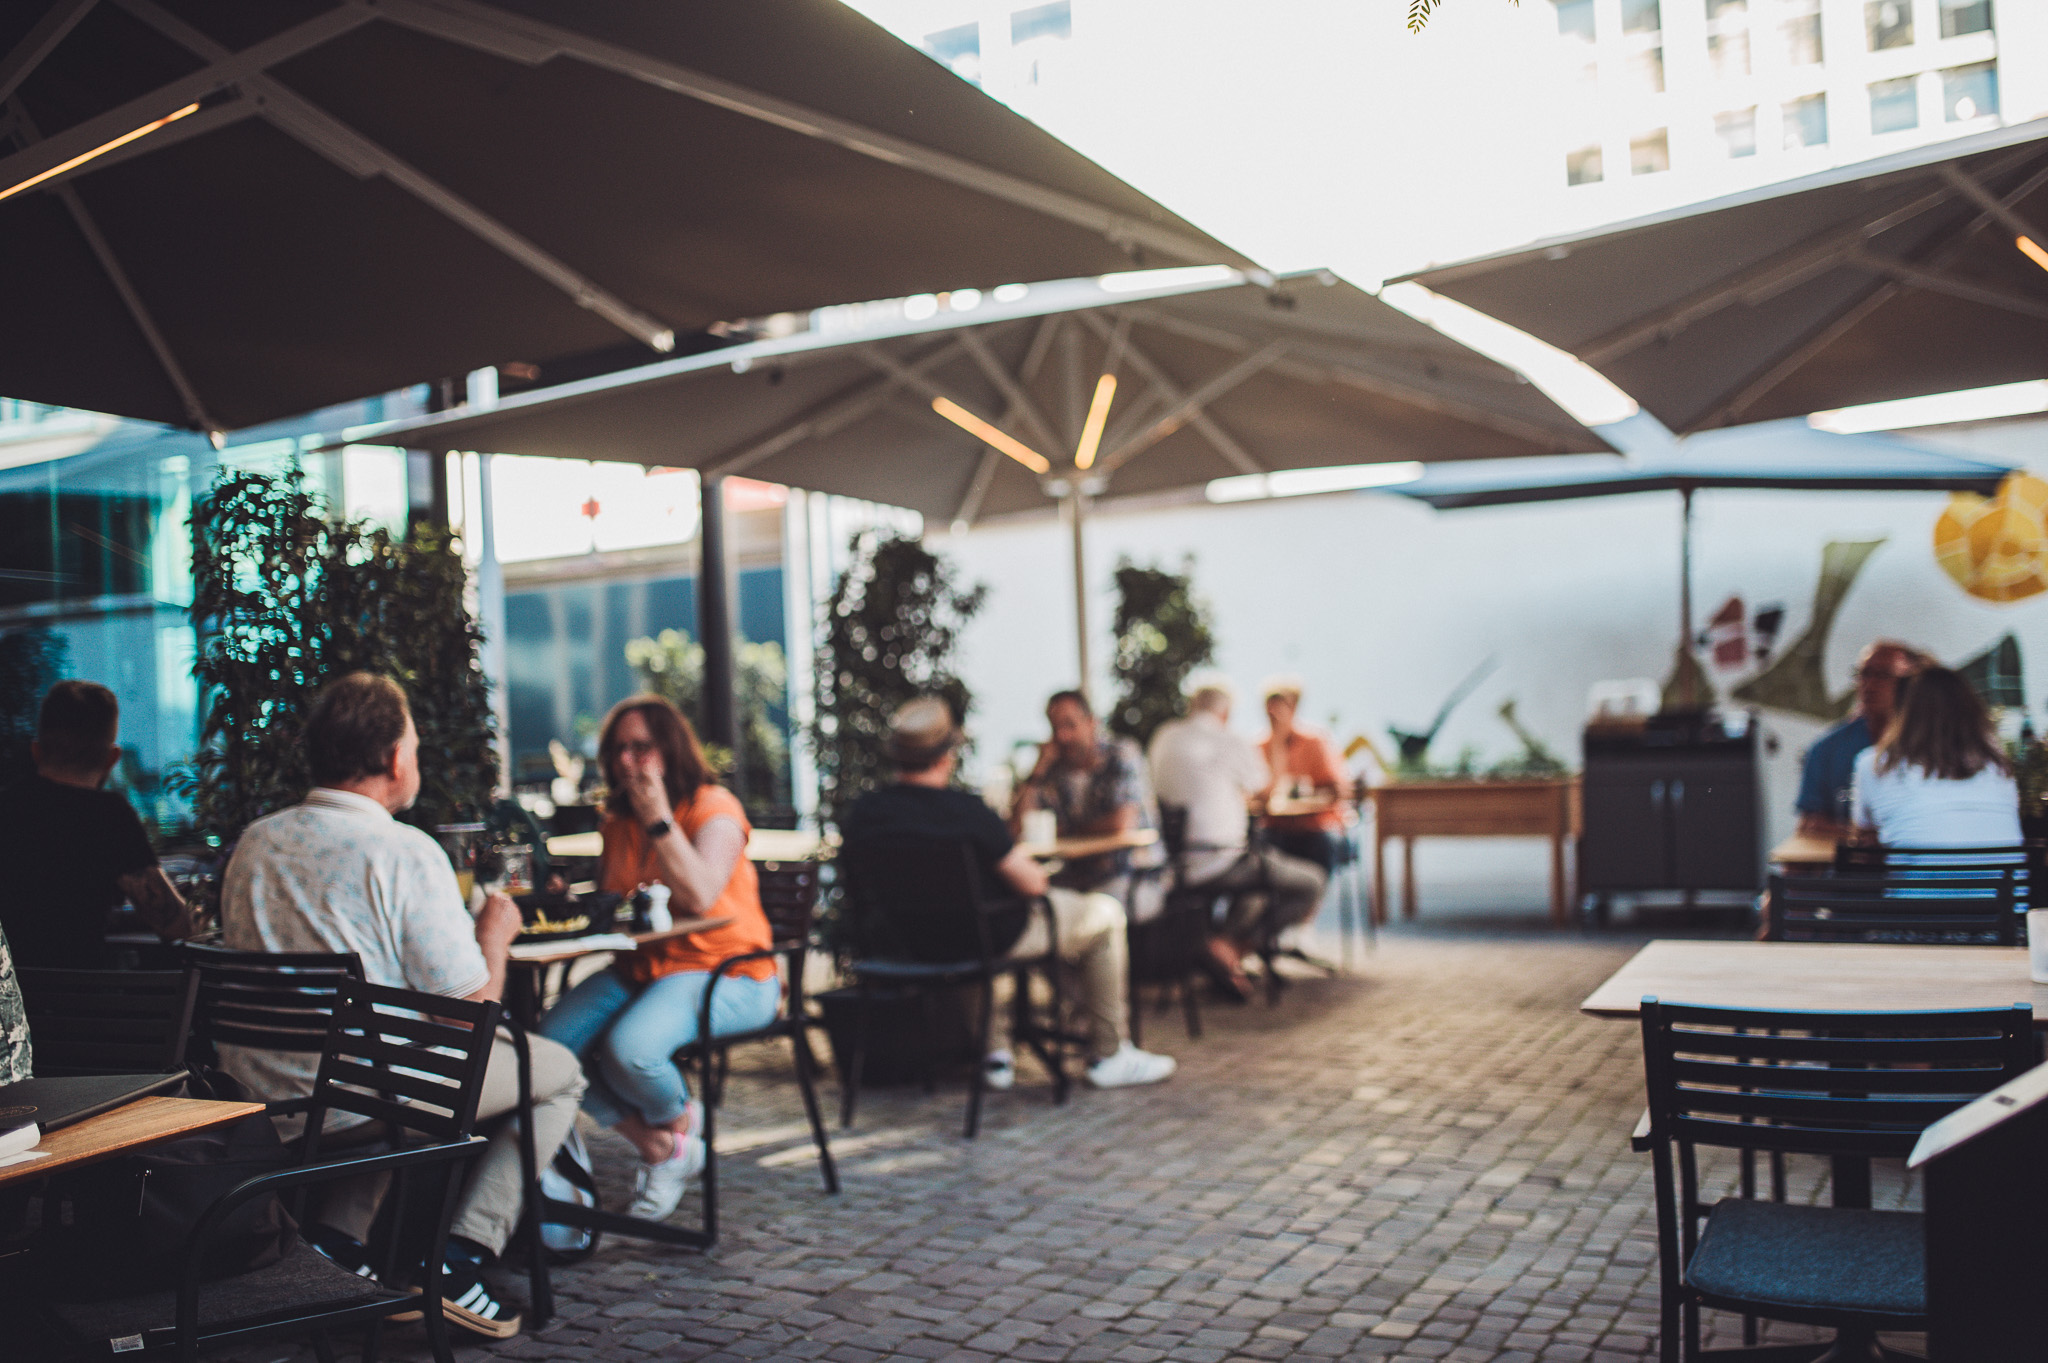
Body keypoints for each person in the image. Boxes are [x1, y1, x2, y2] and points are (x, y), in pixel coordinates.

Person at [222, 673, 584, 1340]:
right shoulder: (403, 850)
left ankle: (335, 1246)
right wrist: (493, 940)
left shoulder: (255, 843)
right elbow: (467, 1018)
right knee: (557, 1069)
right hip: (363, 1096)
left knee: (394, 1053)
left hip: (265, 1102)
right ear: (393, 758)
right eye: (413, 744)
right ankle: (461, 1257)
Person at [840, 697, 1175, 1092]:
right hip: (989, 935)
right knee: (1103, 916)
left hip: (904, 944)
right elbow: (1032, 884)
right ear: (947, 756)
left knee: (958, 925)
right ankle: (1109, 1053)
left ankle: (994, 1054)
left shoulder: (864, 814)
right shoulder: (966, 812)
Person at [538, 696, 777, 1221]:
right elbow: (620, 902)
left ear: (670, 750)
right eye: (617, 749)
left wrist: (659, 819)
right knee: (545, 1052)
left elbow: (699, 896)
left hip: (726, 969)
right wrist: (568, 897)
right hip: (643, 965)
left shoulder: (715, 808)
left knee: (631, 1050)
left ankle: (677, 1124)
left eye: (640, 747)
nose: (626, 760)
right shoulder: (615, 819)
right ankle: (664, 1146)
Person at [1149, 678, 1327, 994]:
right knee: (1310, 882)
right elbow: (1269, 790)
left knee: (1256, 889)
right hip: (1221, 857)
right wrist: (1278, 738)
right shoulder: (1229, 740)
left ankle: (1223, 948)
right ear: (1226, 712)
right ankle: (1229, 947)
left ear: (1193, 707)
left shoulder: (1164, 736)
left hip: (1172, 863)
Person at [0, 681, 190, 967]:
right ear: (112, 758)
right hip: (80, 1000)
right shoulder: (110, 816)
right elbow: (174, 926)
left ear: (36, 751)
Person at [1011, 689, 1162, 903]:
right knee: (1030, 902)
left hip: (1134, 875)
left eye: (1070, 725)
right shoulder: (1055, 769)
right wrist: (1038, 770)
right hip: (1080, 876)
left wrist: (1069, 830)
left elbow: (1121, 823)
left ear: (1092, 722)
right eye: (1055, 728)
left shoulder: (1121, 753)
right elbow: (1018, 828)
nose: (1063, 736)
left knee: (1090, 907)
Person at [1851, 666, 2022, 848]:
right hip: (2006, 876)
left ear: (1903, 712)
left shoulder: (1875, 763)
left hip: (1920, 877)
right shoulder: (1997, 763)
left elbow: (1864, 842)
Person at [1796, 641, 1931, 841]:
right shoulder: (1827, 749)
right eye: (1864, 674)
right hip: (1853, 868)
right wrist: (1865, 838)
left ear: (1911, 684)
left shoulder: (1934, 744)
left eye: (1883, 675)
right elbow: (1810, 824)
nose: (1869, 684)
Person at [1257, 676, 1354, 875]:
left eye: (1280, 708)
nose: (1274, 714)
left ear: (1294, 708)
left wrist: (1309, 800)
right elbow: (1256, 795)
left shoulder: (1316, 741)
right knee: (1256, 848)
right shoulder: (1259, 746)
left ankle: (1311, 902)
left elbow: (1339, 789)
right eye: (1270, 709)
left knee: (1322, 845)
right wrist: (1277, 746)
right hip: (1275, 827)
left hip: (1317, 826)